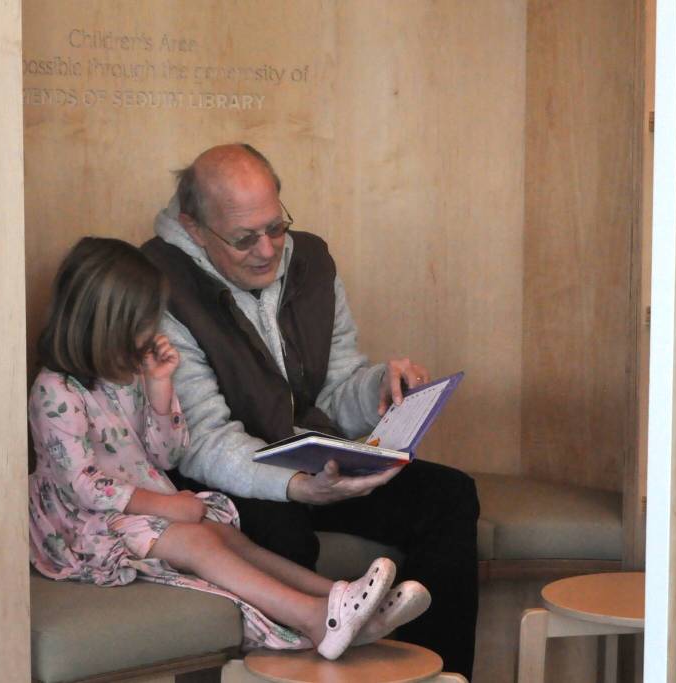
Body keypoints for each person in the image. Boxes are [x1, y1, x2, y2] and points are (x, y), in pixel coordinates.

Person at [142, 144, 480, 677]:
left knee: (449, 496)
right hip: (229, 478)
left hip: (314, 457)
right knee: (282, 534)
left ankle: (435, 674)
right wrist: (296, 485)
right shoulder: (159, 283)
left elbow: (335, 386)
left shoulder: (312, 261)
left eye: (276, 227)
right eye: (244, 238)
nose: (267, 249)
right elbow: (200, 441)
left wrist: (377, 390)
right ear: (195, 228)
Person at [27, 236, 431, 659]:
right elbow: (81, 484)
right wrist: (165, 507)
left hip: (140, 511)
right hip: (83, 524)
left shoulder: (129, 375)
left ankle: (341, 599)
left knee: (227, 537)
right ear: (105, 322)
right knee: (199, 543)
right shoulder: (55, 391)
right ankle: (315, 617)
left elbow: (164, 454)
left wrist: (161, 386)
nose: (154, 331)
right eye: (145, 320)